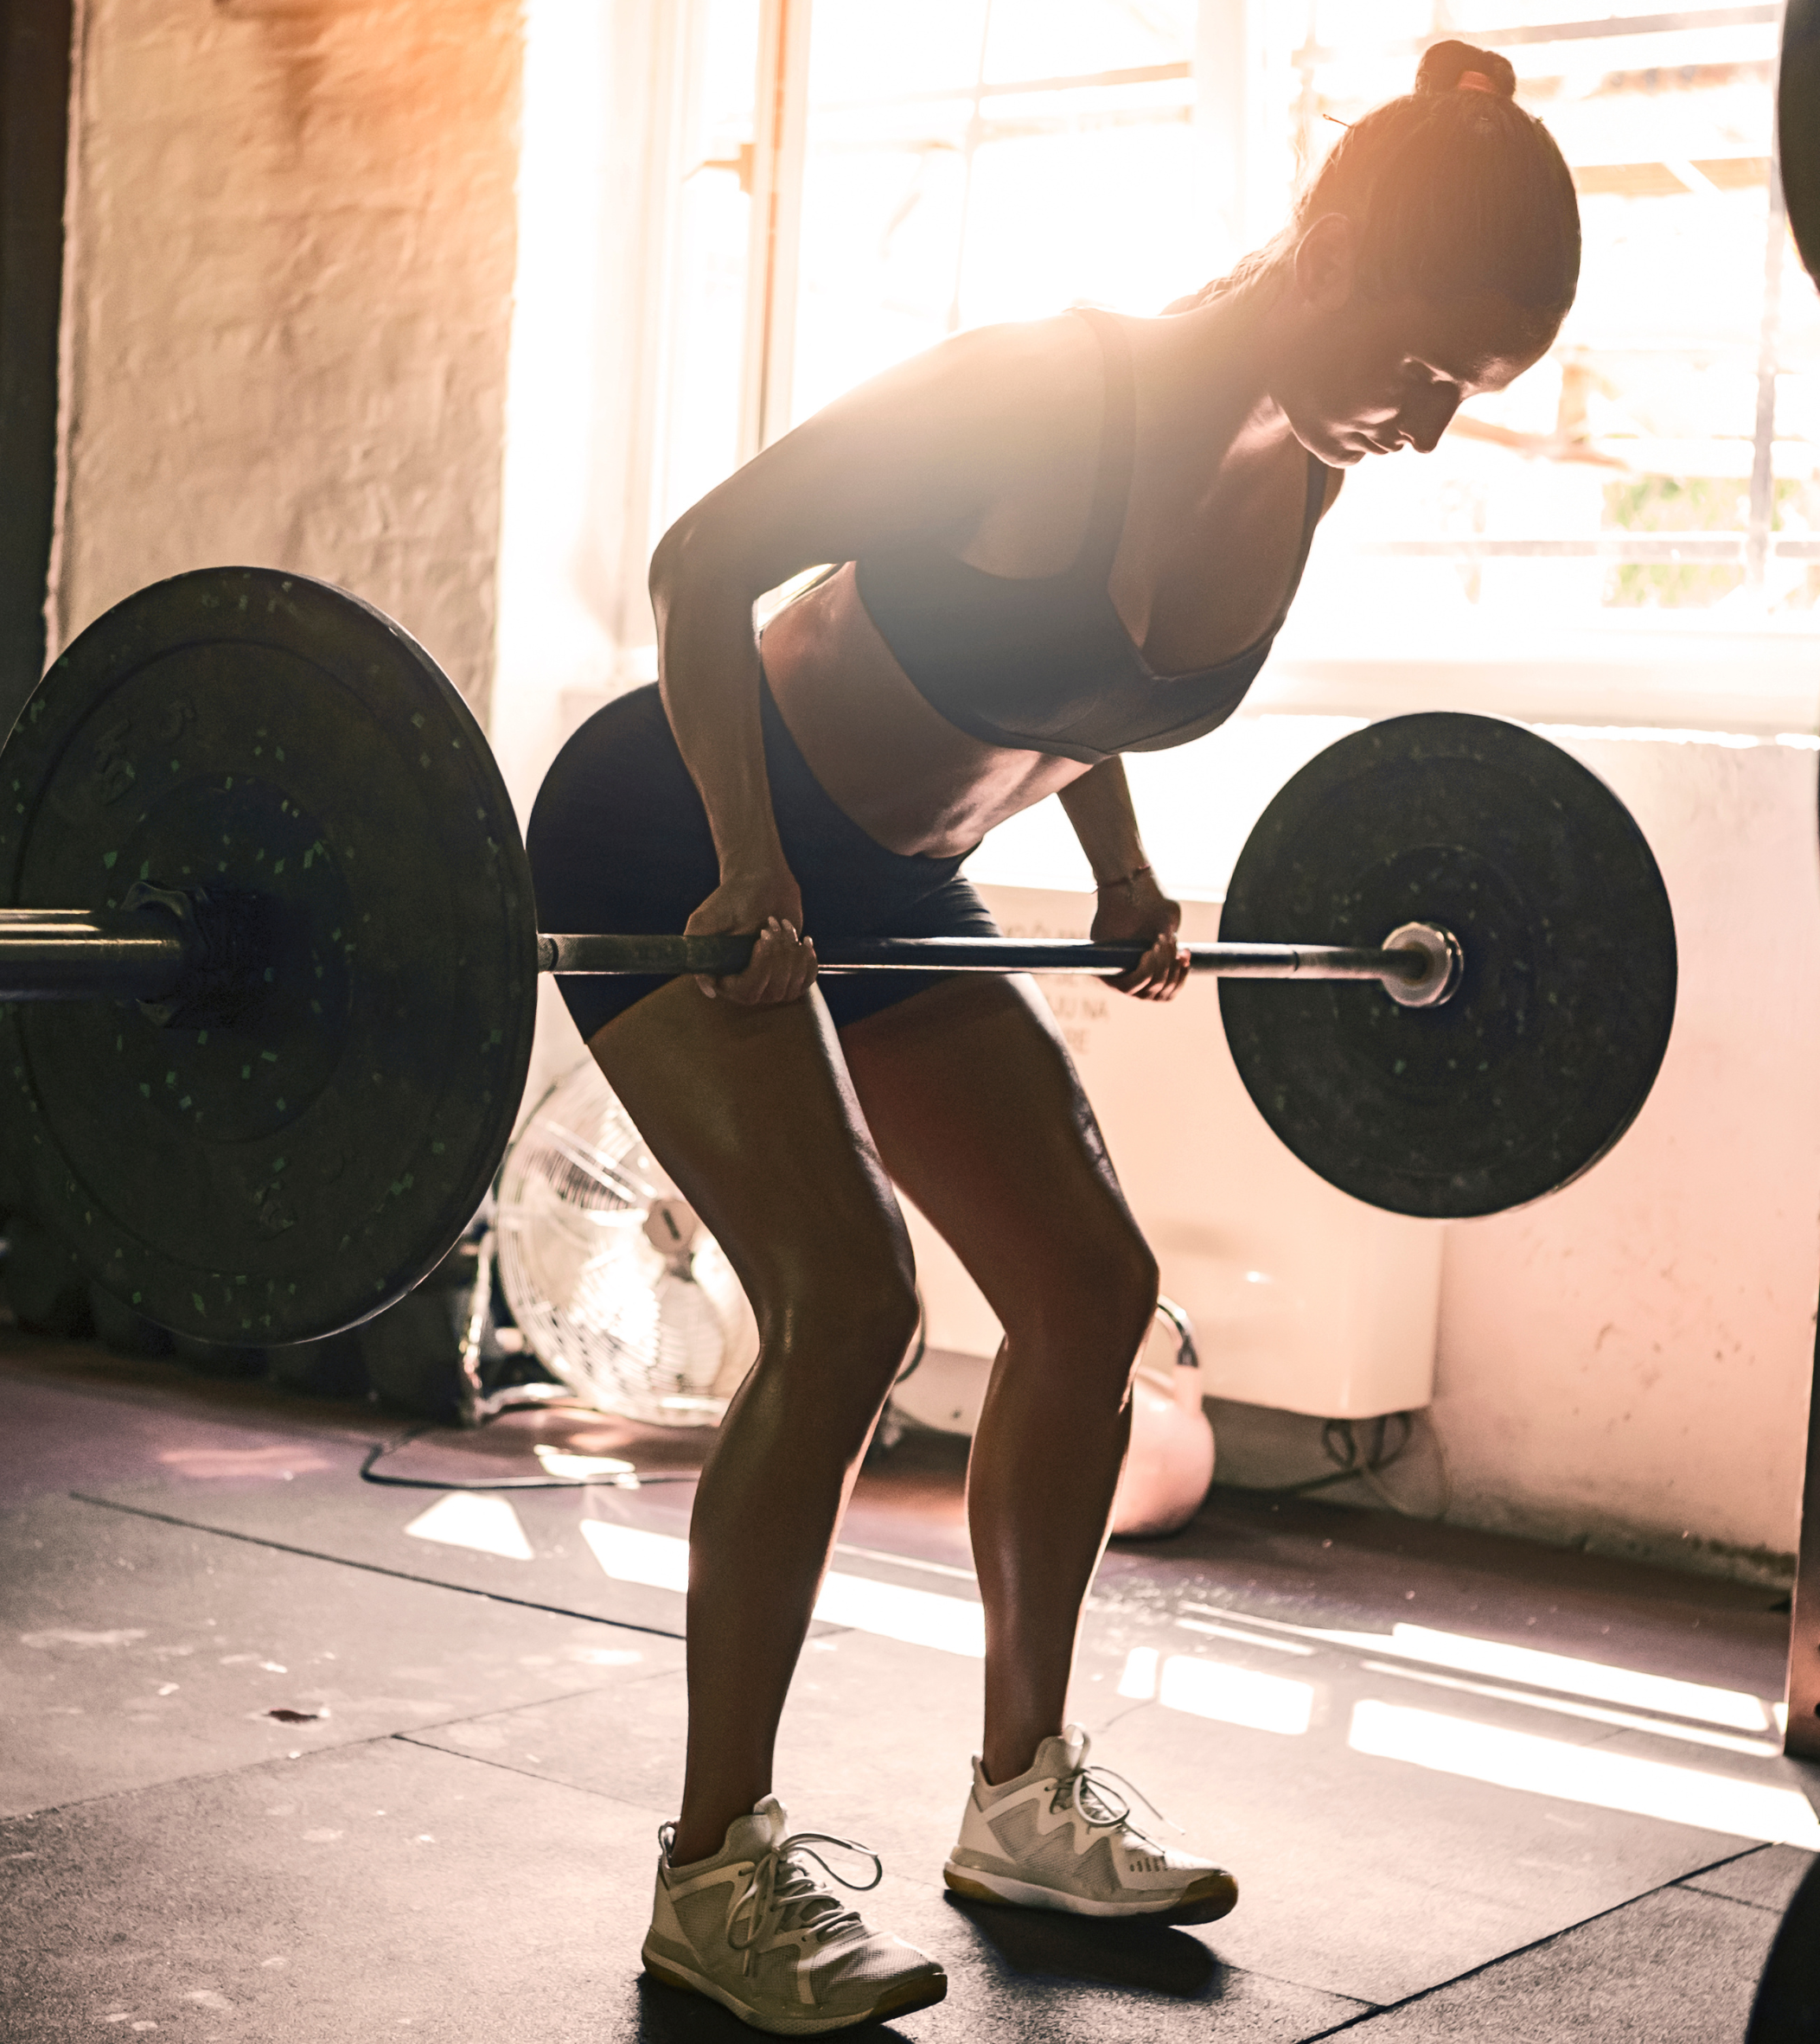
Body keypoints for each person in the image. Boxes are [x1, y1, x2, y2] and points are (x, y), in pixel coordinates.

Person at [523, 38, 1579, 2036]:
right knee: (847, 1307)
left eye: (1471, 399)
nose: (1432, 430)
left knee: (1091, 1290)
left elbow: (1090, 679)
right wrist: (749, 859)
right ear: (1336, 250)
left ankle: (1019, 1797)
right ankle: (712, 1866)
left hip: (902, 878)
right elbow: (705, 561)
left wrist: (1118, 863)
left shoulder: (1310, 462)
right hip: (684, 819)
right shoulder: (1036, 388)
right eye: (1432, 373)